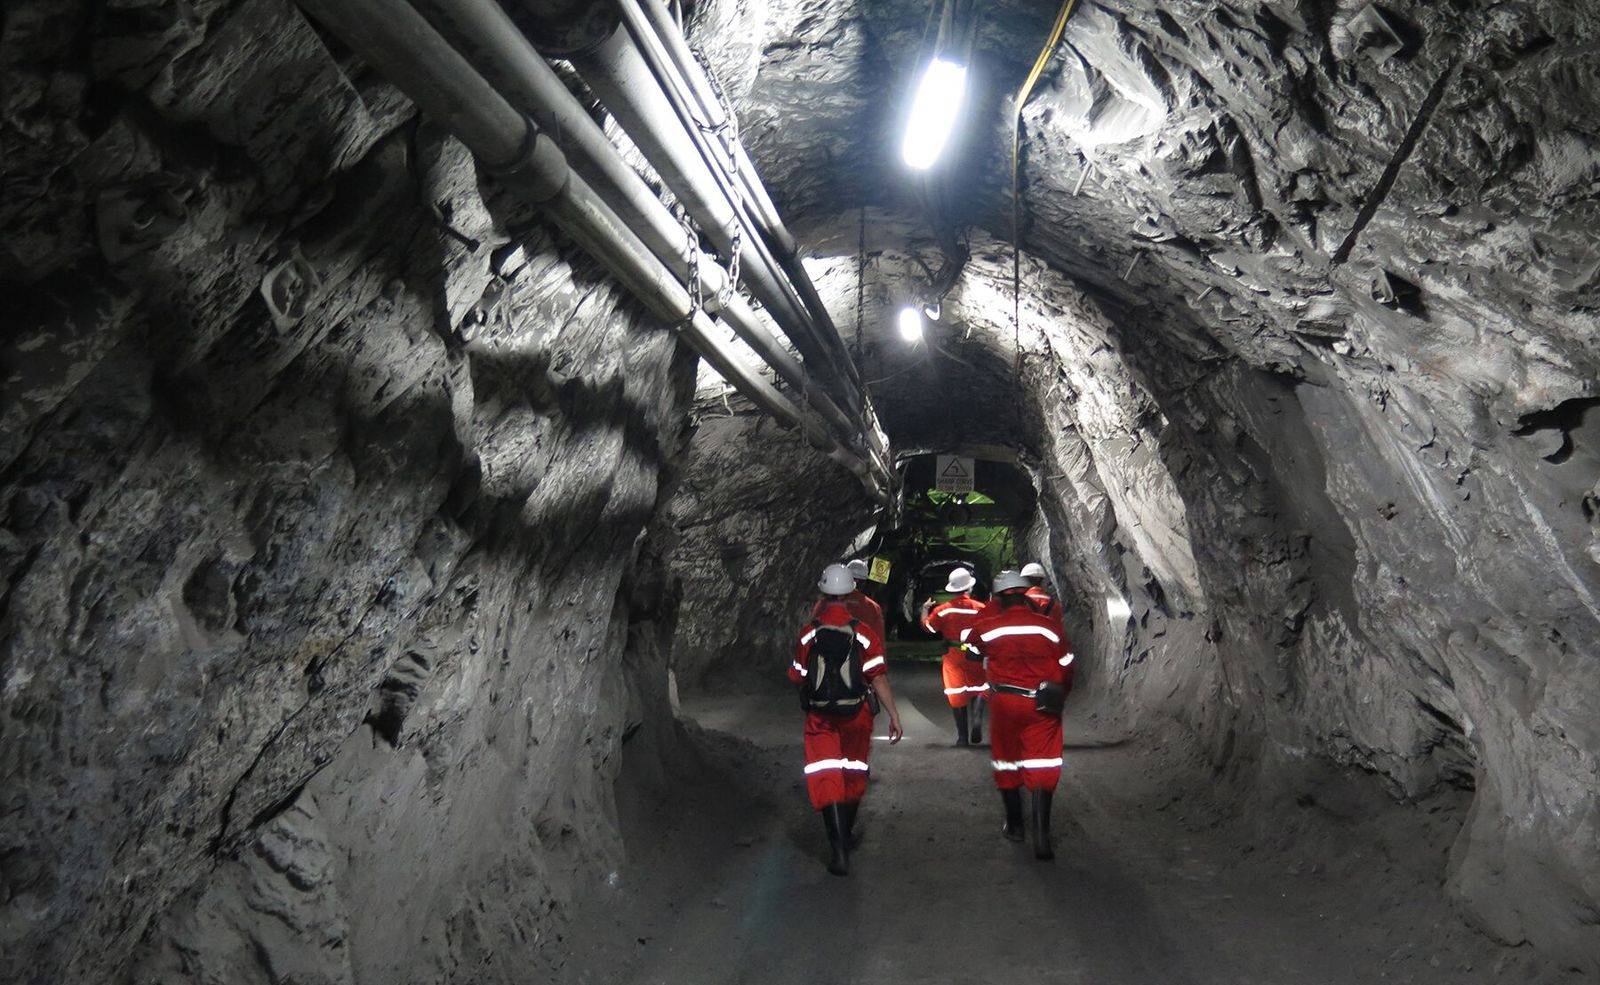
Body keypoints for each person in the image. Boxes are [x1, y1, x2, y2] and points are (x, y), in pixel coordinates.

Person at [791, 563, 904, 875]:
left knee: (826, 774)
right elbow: (878, 676)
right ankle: (848, 834)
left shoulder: (809, 632)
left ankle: (838, 849)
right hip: (856, 713)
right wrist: (894, 715)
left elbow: (797, 674)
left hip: (820, 717)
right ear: (851, 588)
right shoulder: (864, 631)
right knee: (853, 772)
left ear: (823, 592)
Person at [961, 569, 1074, 860]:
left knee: (1007, 759)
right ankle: (1042, 834)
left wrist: (982, 682)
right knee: (1044, 762)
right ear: (1025, 595)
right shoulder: (1048, 627)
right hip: (1042, 702)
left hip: (1005, 702)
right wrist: (1061, 693)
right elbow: (1066, 663)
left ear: (999, 598)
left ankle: (1015, 825)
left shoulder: (988, 627)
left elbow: (970, 654)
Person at [920, 566, 988, 746]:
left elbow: (929, 627)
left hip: (953, 654)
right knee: (979, 687)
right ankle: (977, 715)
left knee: (956, 692)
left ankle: (963, 738)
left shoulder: (944, 610)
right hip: (975, 653)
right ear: (969, 587)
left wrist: (925, 610)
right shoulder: (981, 609)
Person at [811, 558, 885, 642]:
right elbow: (879, 640)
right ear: (863, 582)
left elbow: (812, 631)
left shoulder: (823, 603)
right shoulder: (873, 607)